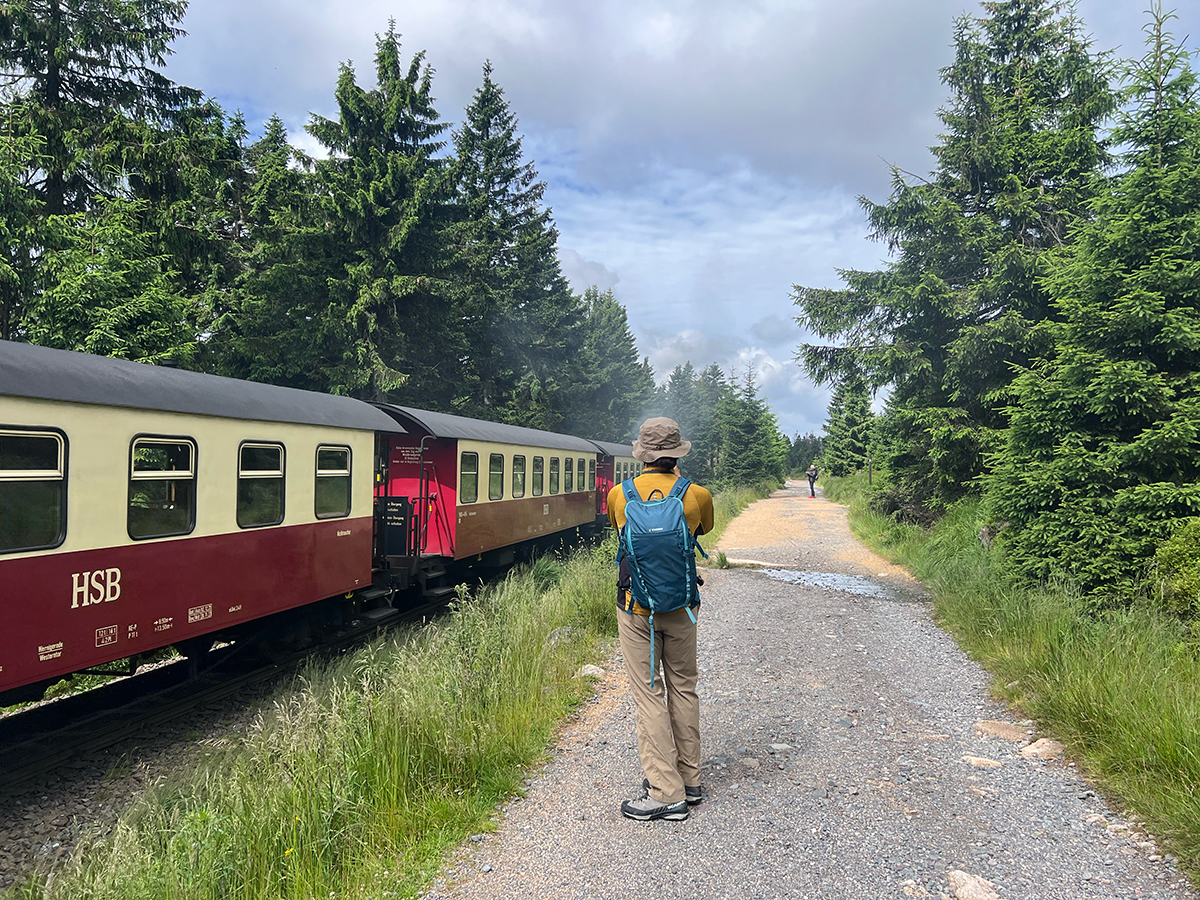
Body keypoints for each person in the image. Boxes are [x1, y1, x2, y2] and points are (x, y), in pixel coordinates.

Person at [608, 417, 714, 821]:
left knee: (648, 692)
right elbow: (703, 528)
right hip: (683, 607)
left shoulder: (621, 494)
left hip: (637, 609)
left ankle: (665, 793)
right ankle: (689, 781)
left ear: (642, 455)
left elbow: (619, 532)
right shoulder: (697, 494)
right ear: (676, 454)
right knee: (684, 688)